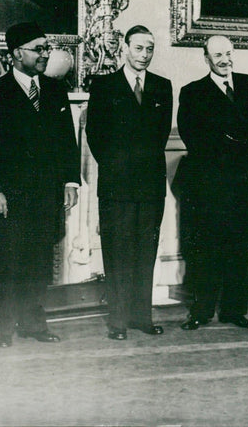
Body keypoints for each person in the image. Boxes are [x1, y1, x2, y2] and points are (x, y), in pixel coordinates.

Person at [0, 22, 80, 348]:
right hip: (8, 196)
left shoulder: (55, 90)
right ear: (17, 54)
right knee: (7, 262)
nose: (46, 55)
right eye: (39, 49)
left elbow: (66, 141)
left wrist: (71, 181)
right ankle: (2, 327)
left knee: (38, 263)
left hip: (45, 195)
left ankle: (34, 323)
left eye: (47, 48)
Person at [85, 25, 173, 340]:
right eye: (138, 48)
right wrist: (119, 166)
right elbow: (95, 134)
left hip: (150, 186)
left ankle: (141, 317)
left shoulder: (163, 86)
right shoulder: (105, 85)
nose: (144, 55)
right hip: (117, 187)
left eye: (149, 49)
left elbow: (161, 136)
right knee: (118, 252)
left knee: (145, 251)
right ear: (125, 48)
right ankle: (118, 320)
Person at [177, 35, 248, 331]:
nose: (225, 59)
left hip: (244, 184)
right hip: (210, 187)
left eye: (228, 53)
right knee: (207, 250)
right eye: (218, 55)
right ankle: (201, 311)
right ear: (206, 59)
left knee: (240, 250)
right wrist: (230, 142)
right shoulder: (193, 92)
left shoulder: (246, 83)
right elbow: (194, 139)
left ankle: (234, 311)